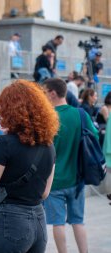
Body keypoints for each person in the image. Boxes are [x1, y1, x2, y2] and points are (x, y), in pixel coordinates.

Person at [0, 79, 58, 253]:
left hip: (11, 222)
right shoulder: (49, 145)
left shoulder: (5, 144)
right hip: (38, 221)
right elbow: (44, 192)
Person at [43, 78, 98, 253]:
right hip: (77, 179)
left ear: (53, 93)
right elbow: (94, 137)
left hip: (53, 181)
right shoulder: (81, 114)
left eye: (45, 92)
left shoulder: (47, 118)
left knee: (58, 223)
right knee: (78, 221)